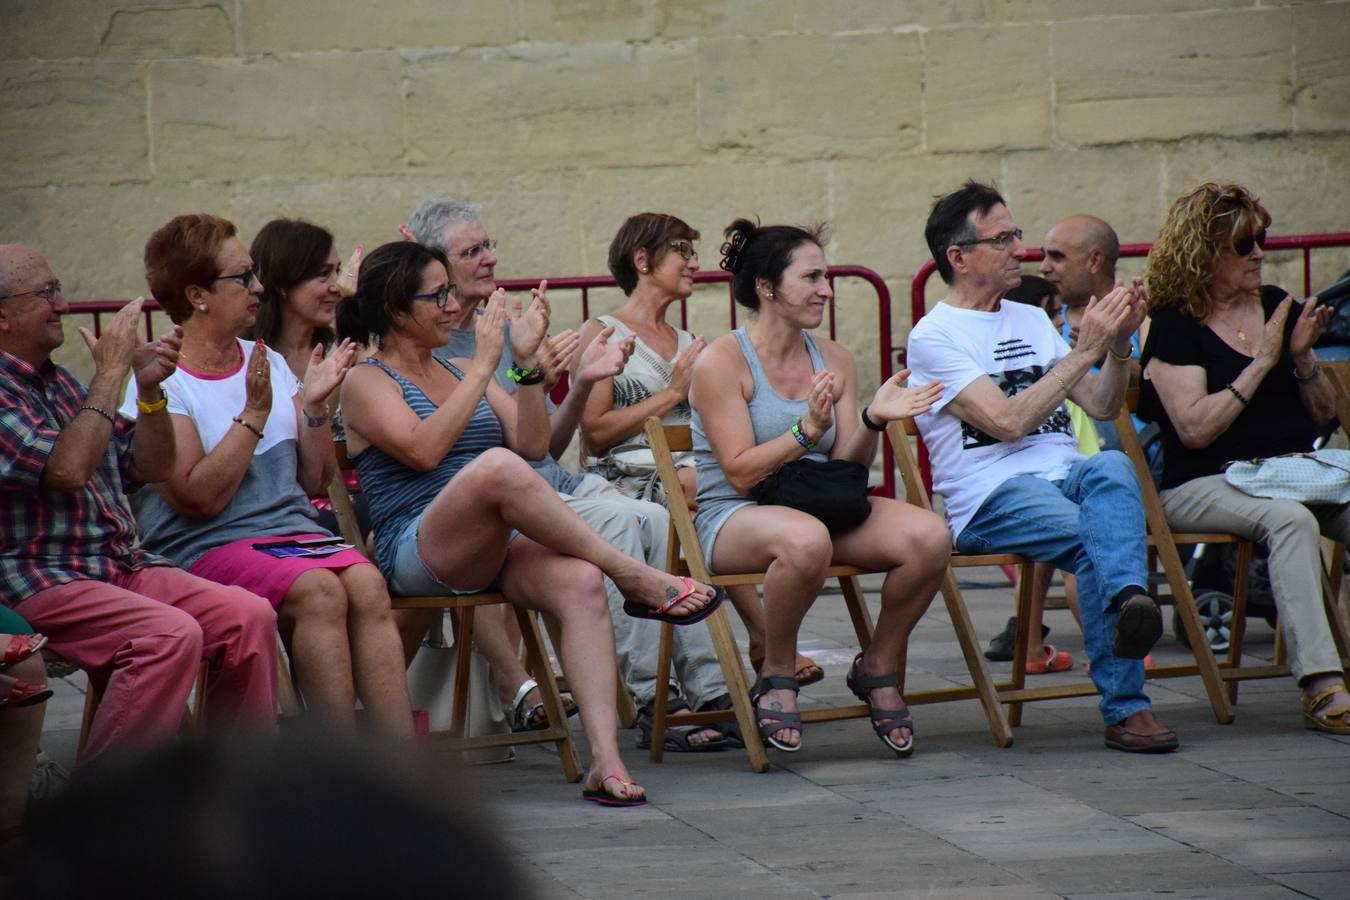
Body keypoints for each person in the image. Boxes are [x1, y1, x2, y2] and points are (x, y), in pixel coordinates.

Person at [336, 240, 726, 804]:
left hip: (495, 542)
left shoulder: (466, 365)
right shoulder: (365, 381)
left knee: (579, 581)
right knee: (495, 467)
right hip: (418, 548)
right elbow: (423, 452)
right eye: (438, 294)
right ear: (398, 311)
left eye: (451, 290)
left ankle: (605, 764)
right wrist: (485, 368)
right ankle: (633, 574)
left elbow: (534, 445)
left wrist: (522, 365)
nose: (453, 305)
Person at [406, 199, 738, 751]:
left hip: (551, 480)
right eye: (473, 251)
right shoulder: (437, 346)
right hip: (493, 506)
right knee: (632, 521)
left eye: (489, 245)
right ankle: (655, 695)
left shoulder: (507, 327)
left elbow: (543, 445)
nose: (491, 259)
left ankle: (708, 690)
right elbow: (559, 441)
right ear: (434, 268)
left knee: (658, 517)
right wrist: (524, 367)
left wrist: (569, 380)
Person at [906, 180, 1178, 753]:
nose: (1020, 250)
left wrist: (1122, 344)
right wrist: (1083, 349)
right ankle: (1128, 706)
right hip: (992, 494)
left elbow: (1102, 405)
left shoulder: (1030, 319)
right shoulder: (934, 337)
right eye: (1002, 239)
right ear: (958, 257)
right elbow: (1006, 422)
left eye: (1016, 234)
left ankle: (1130, 599)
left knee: (1111, 467)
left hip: (1065, 475)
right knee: (1093, 541)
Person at [124, 214, 413, 737]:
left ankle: (397, 768)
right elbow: (196, 500)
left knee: (368, 583)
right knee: (320, 592)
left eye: (255, 274)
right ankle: (339, 768)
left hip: (289, 536)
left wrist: (317, 408)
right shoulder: (163, 379)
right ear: (198, 294)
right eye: (243, 278)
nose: (258, 288)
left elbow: (313, 480)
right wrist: (253, 417)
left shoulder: (269, 363)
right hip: (206, 544)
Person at [0, 243, 277, 763]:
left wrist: (150, 393)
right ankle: (111, 819)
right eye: (46, 293)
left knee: (248, 616)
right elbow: (66, 469)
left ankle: (239, 796)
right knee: (167, 636)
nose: (61, 304)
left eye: (57, 290)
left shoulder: (56, 383)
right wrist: (110, 375)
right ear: (3, 316)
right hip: (42, 577)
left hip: (118, 565)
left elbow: (146, 466)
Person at [690, 218, 951, 756]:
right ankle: (777, 667)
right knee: (805, 540)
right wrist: (804, 430)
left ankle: (878, 663)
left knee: (929, 536)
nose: (826, 290)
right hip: (734, 513)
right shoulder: (722, 360)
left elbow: (847, 465)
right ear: (767, 288)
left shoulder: (834, 358)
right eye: (811, 278)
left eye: (826, 277)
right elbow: (739, 472)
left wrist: (874, 420)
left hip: (815, 504)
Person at [580, 212, 826, 694]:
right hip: (624, 476)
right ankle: (761, 638)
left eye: (693, 252)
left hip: (689, 475)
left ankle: (754, 643)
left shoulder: (694, 345)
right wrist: (673, 393)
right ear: (643, 260)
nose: (694, 262)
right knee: (701, 489)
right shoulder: (603, 333)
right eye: (682, 251)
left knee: (706, 486)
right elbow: (595, 434)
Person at [1140, 180, 1349, 734]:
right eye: (1243, 243)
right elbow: (1194, 431)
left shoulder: (1278, 304)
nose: (1260, 252)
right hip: (1202, 483)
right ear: (1204, 254)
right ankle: (1322, 683)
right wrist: (1260, 362)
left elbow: (1325, 416)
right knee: (1289, 521)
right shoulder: (1174, 326)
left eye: (1262, 238)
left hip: (1288, 471)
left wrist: (1302, 359)